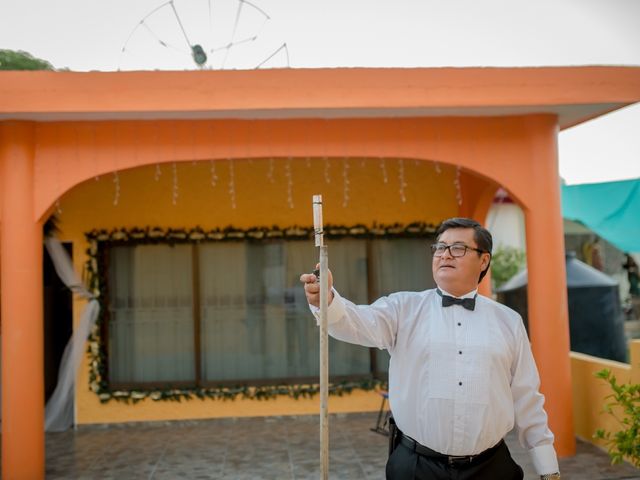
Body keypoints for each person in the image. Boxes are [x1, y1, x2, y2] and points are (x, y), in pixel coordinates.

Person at [300, 217, 561, 480]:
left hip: (490, 468)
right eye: (440, 247)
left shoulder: (509, 322)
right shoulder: (402, 309)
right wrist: (327, 298)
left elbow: (527, 397)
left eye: (458, 248)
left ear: (484, 260)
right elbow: (353, 323)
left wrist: (548, 468)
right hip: (416, 467)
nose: (445, 254)